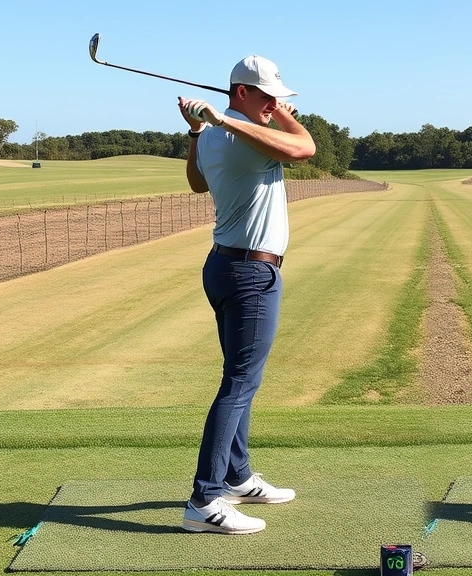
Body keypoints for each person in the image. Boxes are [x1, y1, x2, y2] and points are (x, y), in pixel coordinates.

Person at [177, 54, 316, 535]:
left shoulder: (216, 136)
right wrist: (255, 117)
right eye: (268, 96)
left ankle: (236, 475)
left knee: (241, 379)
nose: (277, 105)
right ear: (241, 93)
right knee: (238, 384)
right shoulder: (240, 138)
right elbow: (304, 149)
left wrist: (198, 131)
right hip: (250, 274)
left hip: (225, 266)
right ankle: (205, 498)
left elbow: (196, 182)